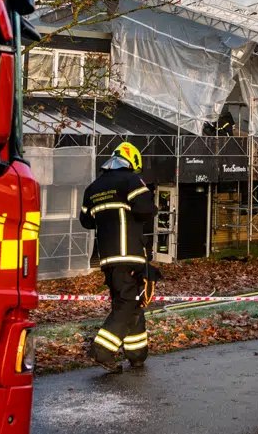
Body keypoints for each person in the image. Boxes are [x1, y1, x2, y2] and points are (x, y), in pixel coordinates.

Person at [79, 141, 158, 372]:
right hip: (130, 255)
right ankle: (102, 351)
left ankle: (137, 355)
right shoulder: (132, 180)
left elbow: (86, 221)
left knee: (131, 303)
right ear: (132, 161)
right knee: (127, 303)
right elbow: (146, 210)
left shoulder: (93, 188)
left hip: (107, 259)